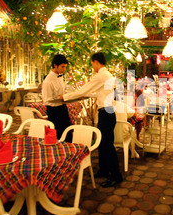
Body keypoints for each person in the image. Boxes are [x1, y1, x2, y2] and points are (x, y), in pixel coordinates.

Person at [60, 52, 122, 188]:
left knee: (107, 145)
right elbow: (97, 92)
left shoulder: (100, 76)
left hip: (106, 112)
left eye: (92, 63)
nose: (92, 66)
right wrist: (82, 95)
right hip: (108, 112)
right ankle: (104, 170)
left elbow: (83, 90)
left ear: (95, 62)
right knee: (103, 143)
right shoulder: (108, 75)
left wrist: (65, 97)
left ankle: (116, 175)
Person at [41, 54, 72, 142]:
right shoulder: (48, 81)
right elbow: (47, 99)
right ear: (55, 65)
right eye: (62, 67)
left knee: (68, 133)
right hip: (54, 111)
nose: (64, 69)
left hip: (62, 108)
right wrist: (61, 97)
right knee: (58, 135)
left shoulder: (60, 77)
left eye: (65, 67)